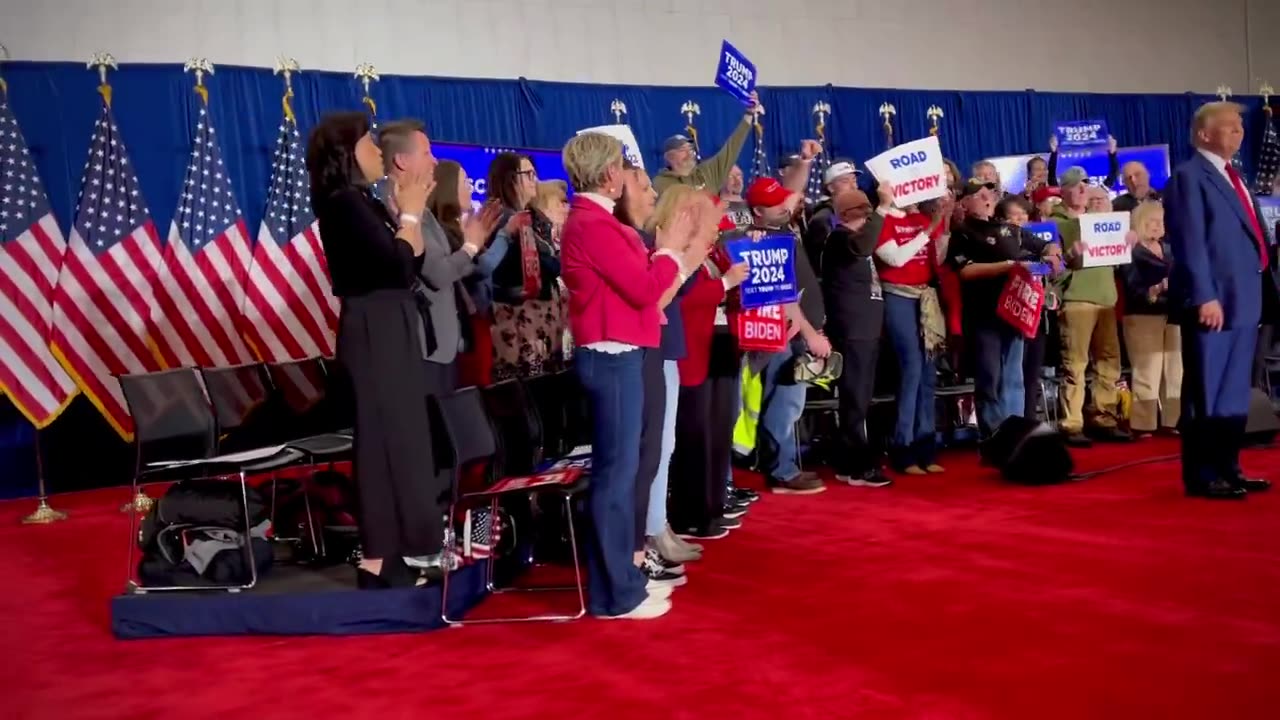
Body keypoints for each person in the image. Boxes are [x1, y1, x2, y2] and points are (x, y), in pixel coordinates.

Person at [560, 132, 696, 618]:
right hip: (611, 358)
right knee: (617, 479)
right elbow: (643, 289)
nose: (627, 174)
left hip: (622, 355)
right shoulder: (592, 225)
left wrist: (664, 253)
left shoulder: (596, 221)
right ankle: (616, 593)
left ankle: (621, 584)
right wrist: (671, 251)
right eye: (622, 166)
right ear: (609, 174)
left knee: (622, 474)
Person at [306, 112, 439, 589]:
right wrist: (407, 215)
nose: (375, 149)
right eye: (366, 141)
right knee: (386, 437)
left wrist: (412, 214)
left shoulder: (364, 201)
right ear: (346, 152)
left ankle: (407, 545)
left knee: (403, 434)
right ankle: (383, 554)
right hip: (374, 324)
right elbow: (393, 265)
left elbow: (412, 262)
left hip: (393, 319)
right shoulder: (344, 204)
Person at [1164, 101, 1278, 499]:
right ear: (1203, 134)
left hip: (1246, 298)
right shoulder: (1188, 176)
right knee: (1208, 390)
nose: (1238, 133)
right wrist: (1204, 296)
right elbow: (1190, 241)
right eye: (1229, 127)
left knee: (1232, 391)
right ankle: (1203, 474)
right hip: (1213, 302)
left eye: (1240, 128)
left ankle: (1229, 468)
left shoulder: (1235, 176)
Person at [730, 177, 830, 494]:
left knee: (788, 402)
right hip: (780, 335)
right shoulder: (755, 242)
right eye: (776, 203)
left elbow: (794, 194)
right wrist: (811, 333)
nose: (786, 206)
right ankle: (782, 471)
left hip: (792, 333)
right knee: (784, 402)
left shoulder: (780, 229)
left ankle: (782, 466)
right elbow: (780, 295)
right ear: (758, 211)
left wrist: (805, 160)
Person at [1051, 168, 1129, 446]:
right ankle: (1072, 422)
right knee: (1076, 364)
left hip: (1106, 298)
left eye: (1086, 183)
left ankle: (1103, 416)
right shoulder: (1055, 223)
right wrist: (1071, 255)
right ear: (1063, 190)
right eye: (1077, 185)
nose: (1083, 189)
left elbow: (1115, 262)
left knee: (1109, 362)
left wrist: (1126, 245)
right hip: (1076, 299)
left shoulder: (1101, 221)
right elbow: (1052, 268)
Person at [823, 185, 895, 486]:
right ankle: (858, 465)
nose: (870, 221)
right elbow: (863, 247)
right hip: (853, 330)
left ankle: (847, 460)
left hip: (865, 328)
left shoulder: (850, 240)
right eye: (865, 214)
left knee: (860, 396)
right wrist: (882, 208)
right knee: (856, 397)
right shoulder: (840, 239)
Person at [874, 194, 948, 474]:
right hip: (898, 296)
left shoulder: (922, 219)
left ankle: (926, 445)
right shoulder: (883, 221)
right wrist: (929, 231)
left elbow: (939, 259)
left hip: (925, 296)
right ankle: (901, 447)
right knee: (912, 367)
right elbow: (895, 258)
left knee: (928, 372)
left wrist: (945, 221)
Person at [491, 180, 569, 380]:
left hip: (547, 328)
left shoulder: (550, 237)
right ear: (543, 202)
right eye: (561, 201)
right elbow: (549, 268)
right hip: (526, 329)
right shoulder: (527, 232)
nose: (566, 207)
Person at [1119, 201, 1180, 438]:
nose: (1157, 225)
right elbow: (1131, 287)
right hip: (1143, 314)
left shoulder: (1170, 248)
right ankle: (1144, 424)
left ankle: (1172, 421)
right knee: (1147, 371)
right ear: (1140, 223)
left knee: (1176, 370)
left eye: (1161, 220)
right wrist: (1153, 290)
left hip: (1174, 314)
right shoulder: (1131, 251)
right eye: (1151, 220)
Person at [655, 92, 759, 196]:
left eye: (690, 148)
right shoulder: (660, 184)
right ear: (669, 157)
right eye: (682, 150)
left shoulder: (707, 173)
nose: (689, 153)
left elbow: (732, 148)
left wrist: (749, 114)